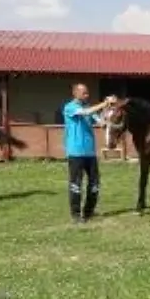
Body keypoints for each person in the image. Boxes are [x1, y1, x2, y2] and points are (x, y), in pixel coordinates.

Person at [61, 84, 111, 223]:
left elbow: (101, 122)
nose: (87, 96)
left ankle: (89, 211)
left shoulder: (89, 108)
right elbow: (85, 112)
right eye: (84, 93)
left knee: (95, 183)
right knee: (76, 184)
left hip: (90, 153)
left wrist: (107, 110)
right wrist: (104, 103)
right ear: (75, 93)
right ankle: (76, 215)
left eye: (87, 93)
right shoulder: (70, 107)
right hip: (75, 152)